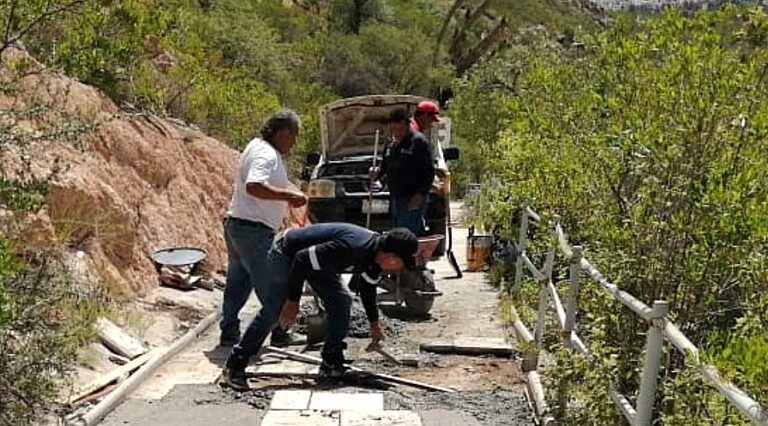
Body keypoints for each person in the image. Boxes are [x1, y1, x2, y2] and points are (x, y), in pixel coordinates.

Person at [222, 223, 418, 391]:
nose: (399, 267)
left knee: (342, 301)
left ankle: (331, 361)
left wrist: (374, 323)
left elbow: (367, 289)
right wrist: (293, 301)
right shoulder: (353, 247)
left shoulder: (375, 258)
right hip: (288, 253)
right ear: (391, 256)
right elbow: (301, 258)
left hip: (318, 263)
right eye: (401, 262)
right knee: (276, 310)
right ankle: (235, 364)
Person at [219, 109, 308, 348]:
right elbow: (255, 186)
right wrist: (288, 195)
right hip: (253, 230)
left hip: (238, 225)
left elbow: (263, 184)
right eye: (293, 136)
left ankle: (229, 331)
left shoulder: (257, 147)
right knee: (272, 284)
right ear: (283, 132)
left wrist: (289, 191)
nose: (294, 142)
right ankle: (280, 330)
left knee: (238, 283)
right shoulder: (266, 154)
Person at [371, 108, 435, 235]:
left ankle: (413, 254)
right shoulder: (390, 143)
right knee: (397, 233)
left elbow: (428, 172)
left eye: (400, 129)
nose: (397, 133)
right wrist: (376, 172)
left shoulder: (418, 142)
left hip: (412, 198)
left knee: (407, 234)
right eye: (394, 129)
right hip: (396, 198)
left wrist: (420, 195)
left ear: (407, 125)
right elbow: (384, 166)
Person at [410, 100, 448, 179]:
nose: (431, 123)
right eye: (432, 119)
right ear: (425, 115)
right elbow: (414, 162)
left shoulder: (413, 127)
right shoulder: (414, 132)